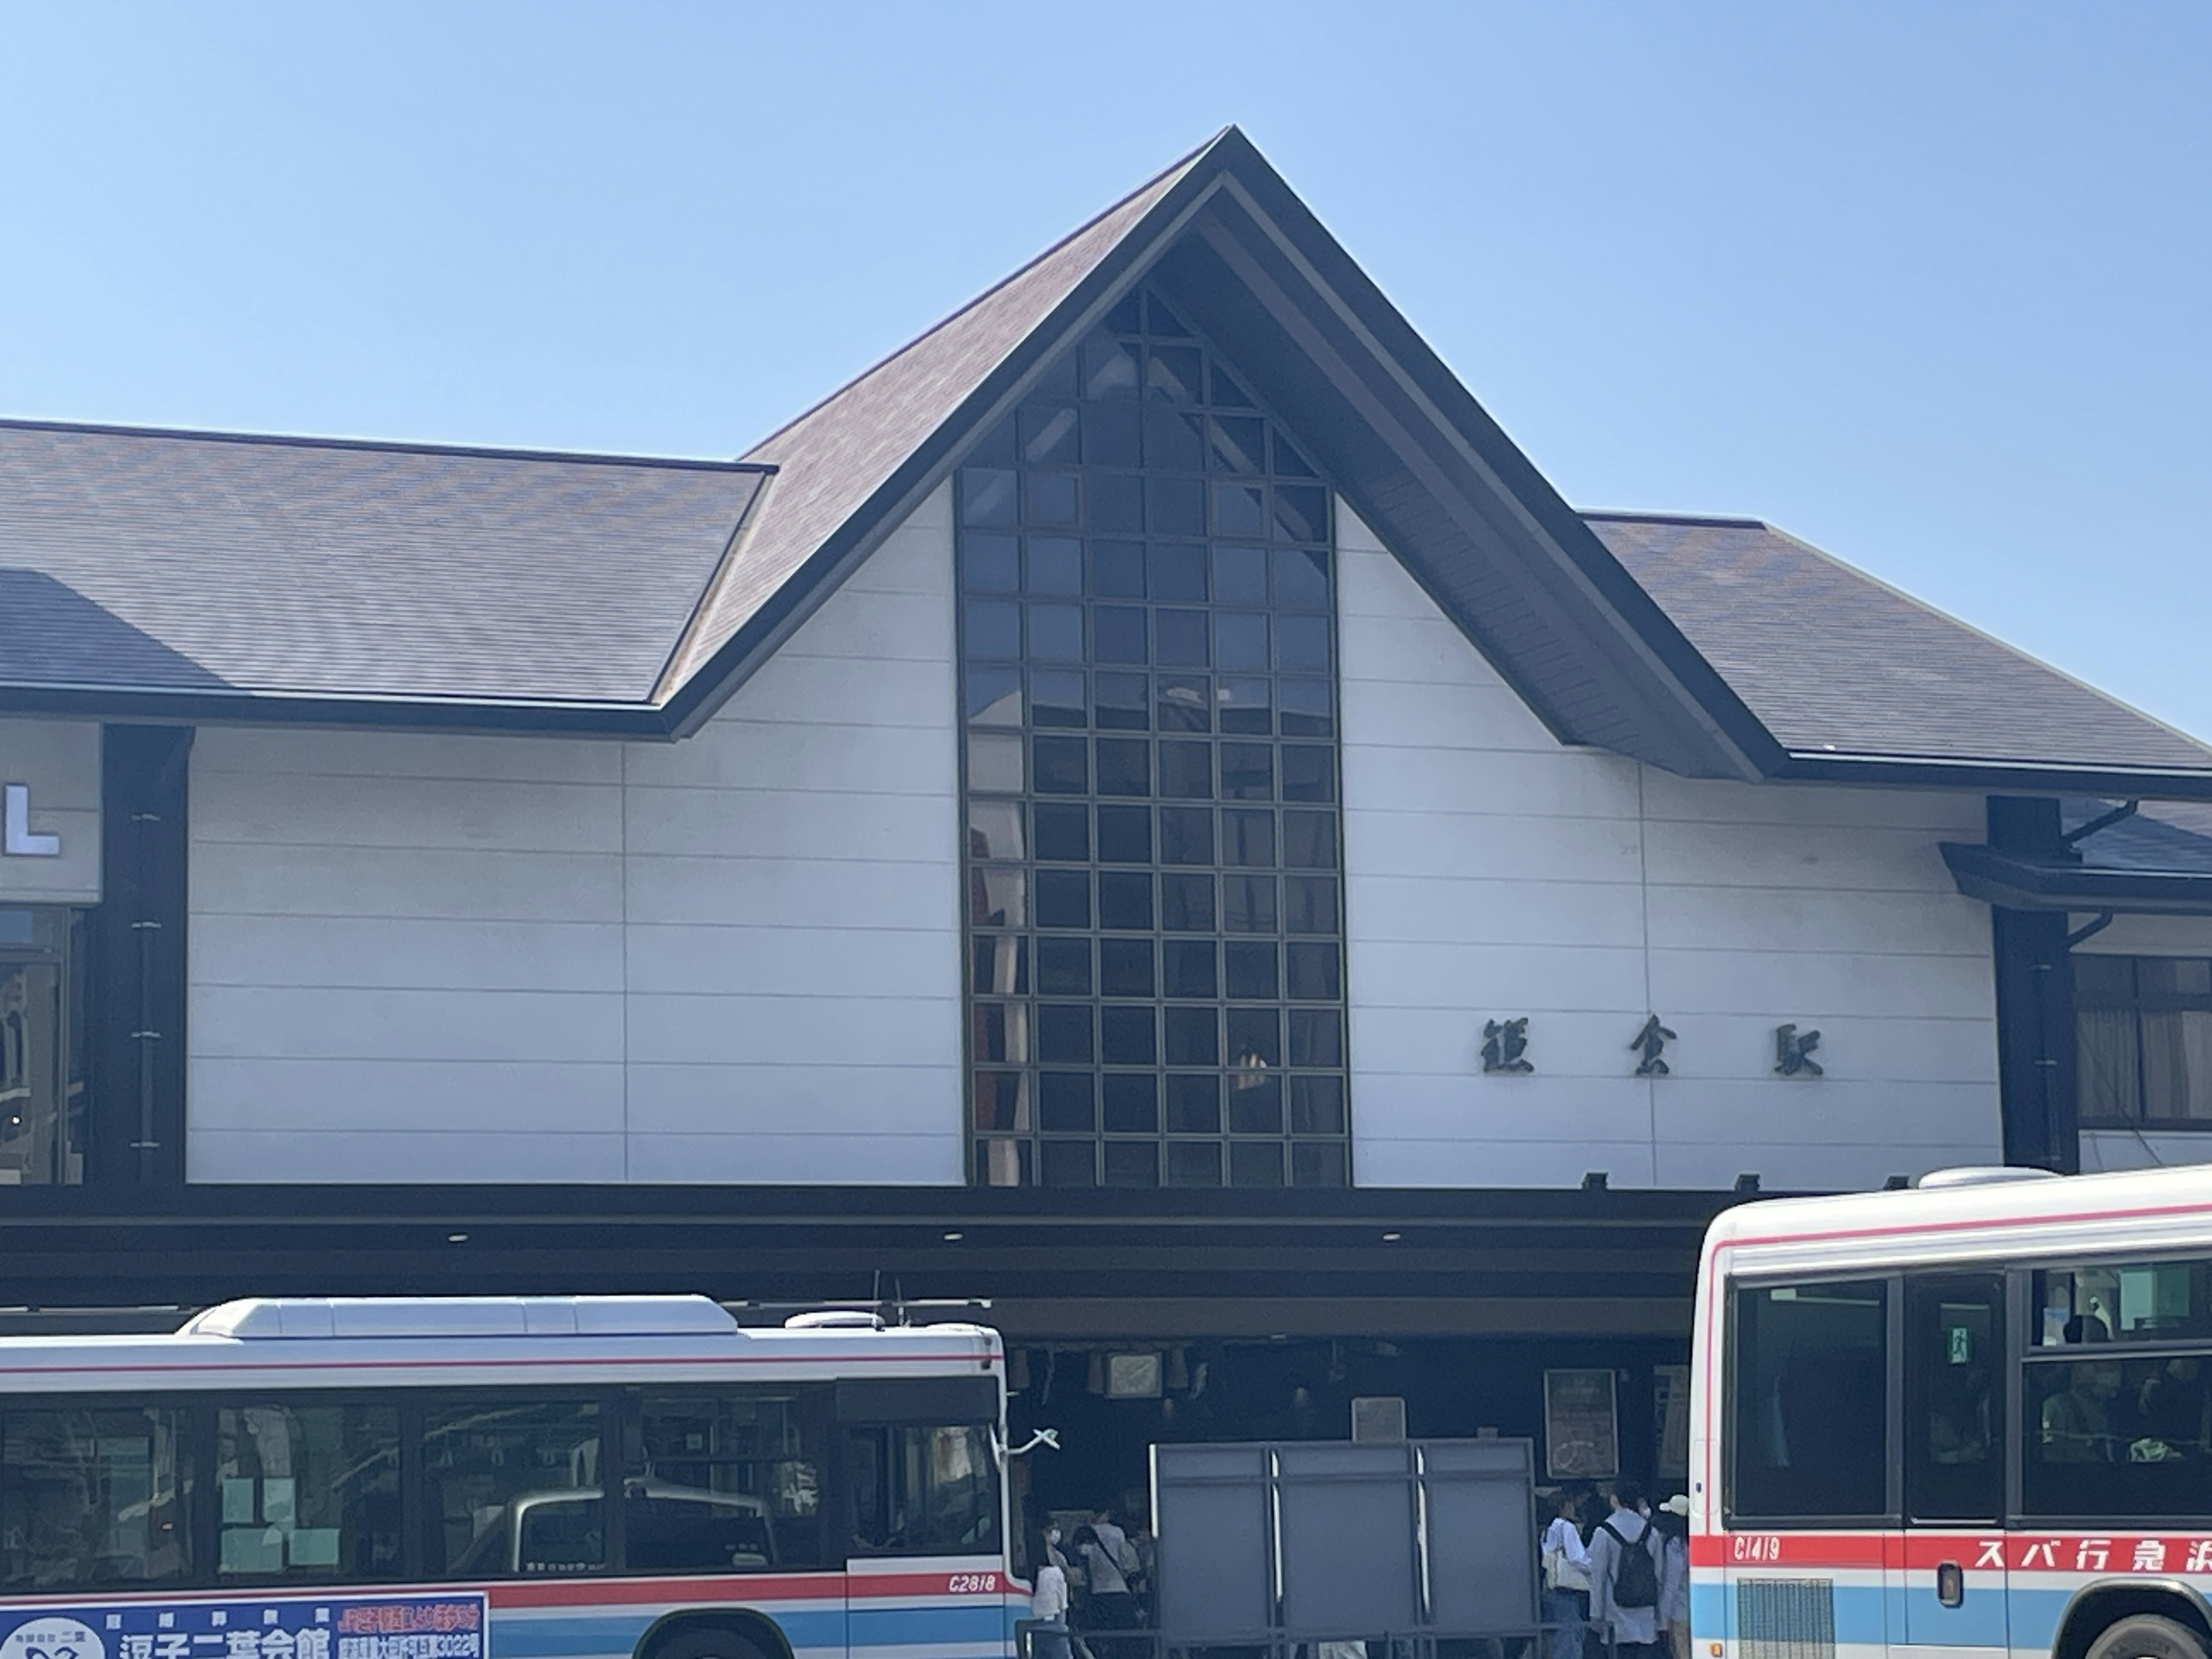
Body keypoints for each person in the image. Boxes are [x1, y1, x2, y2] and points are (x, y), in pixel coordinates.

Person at [1585, 1478, 1663, 1659]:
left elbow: (1598, 1578)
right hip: (1646, 1615)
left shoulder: (1603, 1533)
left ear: (1614, 1499)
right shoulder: (1652, 1532)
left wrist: (1596, 1615)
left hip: (1616, 1616)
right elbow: (1658, 1574)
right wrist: (1659, 1615)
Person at [1541, 1488, 1593, 1659]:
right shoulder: (1567, 1527)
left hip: (1552, 1585)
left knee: (1562, 1634)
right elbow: (1577, 1558)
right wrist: (1594, 1569)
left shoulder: (1548, 1530)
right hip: (1568, 1587)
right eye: (1570, 1504)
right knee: (1572, 1633)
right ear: (1563, 1507)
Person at [1653, 1496, 1691, 1659]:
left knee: (1681, 1652)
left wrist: (1663, 1616)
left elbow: (1671, 1583)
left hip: (1678, 1612)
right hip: (1694, 1610)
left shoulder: (1674, 1544)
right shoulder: (1691, 1542)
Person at [1031, 1528, 1073, 1659]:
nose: (1055, 1534)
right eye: (1050, 1530)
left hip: (1050, 1609)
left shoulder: (1058, 1555)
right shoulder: (1036, 1553)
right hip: (1051, 1609)